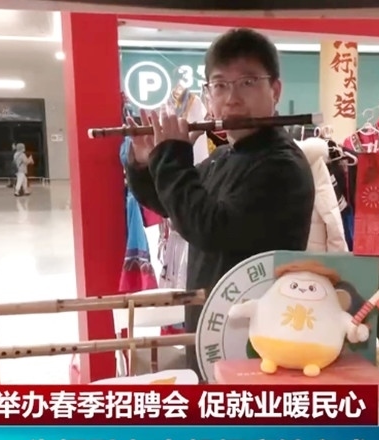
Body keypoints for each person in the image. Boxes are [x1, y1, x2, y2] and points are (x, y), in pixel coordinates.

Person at [123, 28, 315, 375]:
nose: (232, 99)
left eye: (247, 83)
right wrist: (145, 162)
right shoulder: (226, 155)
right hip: (212, 324)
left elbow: (208, 227)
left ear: (275, 90)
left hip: (254, 340)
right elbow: (175, 206)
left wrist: (172, 156)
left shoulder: (281, 164)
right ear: (208, 93)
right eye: (220, 85)